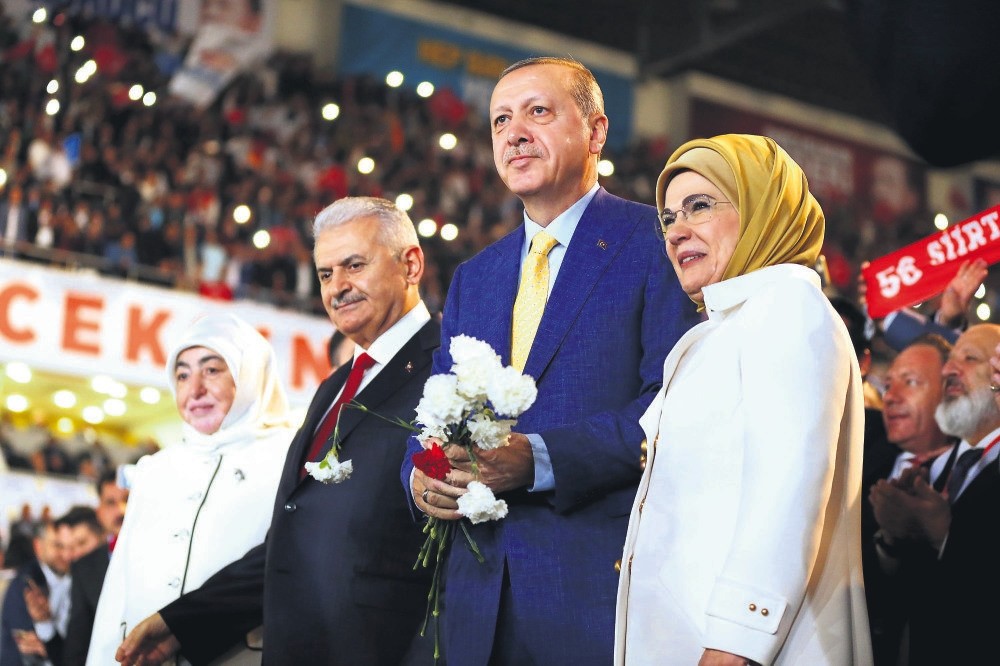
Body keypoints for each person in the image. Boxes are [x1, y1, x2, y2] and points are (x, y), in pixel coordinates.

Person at [406, 57, 698, 664]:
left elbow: (672, 407)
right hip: (472, 603)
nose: (514, 132)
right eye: (500, 120)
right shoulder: (474, 277)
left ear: (596, 132)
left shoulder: (657, 244)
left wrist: (538, 460)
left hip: (592, 591)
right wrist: (420, 471)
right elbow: (433, 409)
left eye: (538, 112)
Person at [116, 197, 438, 665]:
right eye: (326, 274)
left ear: (410, 265)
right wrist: (183, 622)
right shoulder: (334, 387)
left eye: (354, 265)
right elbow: (294, 541)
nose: (338, 288)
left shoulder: (451, 373)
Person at [614, 134, 872, 665]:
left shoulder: (786, 304)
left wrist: (736, 643)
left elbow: (786, 489)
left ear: (763, 209)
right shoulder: (727, 326)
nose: (676, 230)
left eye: (700, 206)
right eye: (668, 217)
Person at [86, 312, 295, 665]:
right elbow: (118, 588)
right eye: (182, 375)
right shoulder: (156, 468)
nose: (195, 390)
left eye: (212, 370)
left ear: (248, 374)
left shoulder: (288, 458)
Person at [869, 323, 1000, 665]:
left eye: (970, 358)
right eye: (949, 362)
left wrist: (943, 533)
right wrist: (892, 539)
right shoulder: (932, 473)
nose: (948, 371)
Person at [864, 335, 954, 665]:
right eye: (888, 384)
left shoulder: (977, 475)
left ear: (951, 392)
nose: (891, 397)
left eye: (911, 382)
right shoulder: (862, 444)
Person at [63, 471, 129, 666]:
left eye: (127, 499)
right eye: (110, 502)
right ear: (99, 511)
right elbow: (78, 639)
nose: (120, 510)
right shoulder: (84, 567)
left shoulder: (165, 554)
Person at [1, 520, 72, 666]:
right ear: (38, 546)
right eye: (58, 546)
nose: (66, 554)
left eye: (70, 547)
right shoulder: (25, 585)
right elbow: (27, 646)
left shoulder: (76, 576)